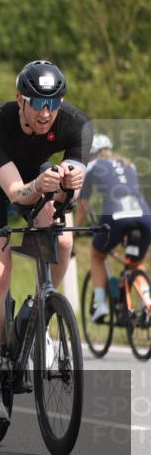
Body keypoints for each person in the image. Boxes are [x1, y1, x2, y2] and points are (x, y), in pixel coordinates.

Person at [0, 60, 92, 421]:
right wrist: (40, 186)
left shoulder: (76, 123)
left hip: (35, 175)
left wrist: (67, 185)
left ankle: (39, 315)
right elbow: (17, 192)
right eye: (38, 103)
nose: (46, 113)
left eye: (53, 104)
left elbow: (69, 191)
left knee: (62, 243)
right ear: (20, 100)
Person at [78, 134, 151, 321]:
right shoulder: (129, 164)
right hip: (144, 215)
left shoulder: (92, 166)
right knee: (136, 263)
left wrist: (76, 230)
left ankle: (100, 304)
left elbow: (84, 204)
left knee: (97, 255)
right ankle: (148, 301)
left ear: (91, 153)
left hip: (117, 215)